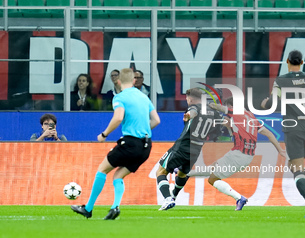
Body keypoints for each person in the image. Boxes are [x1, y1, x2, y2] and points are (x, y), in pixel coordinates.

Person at [71, 68, 160, 220]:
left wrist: (104, 134)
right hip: (146, 146)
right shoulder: (144, 97)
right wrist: (142, 130)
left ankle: (88, 208)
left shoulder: (120, 97)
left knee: (102, 170)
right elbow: (156, 120)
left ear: (118, 81)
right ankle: (115, 207)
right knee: (118, 175)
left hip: (130, 143)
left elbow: (118, 118)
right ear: (133, 81)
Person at [261, 49, 305, 218]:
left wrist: (264, 104)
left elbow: (272, 103)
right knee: (295, 166)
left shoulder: (280, 80)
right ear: (302, 63)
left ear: (287, 61)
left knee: (296, 167)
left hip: (293, 129)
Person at [187, 97, 286, 211]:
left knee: (212, 179)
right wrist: (280, 149)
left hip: (239, 154)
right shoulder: (251, 117)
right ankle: (187, 173)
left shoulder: (234, 111)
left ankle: (239, 198)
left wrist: (207, 105)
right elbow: (269, 133)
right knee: (214, 166)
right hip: (246, 155)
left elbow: (218, 107)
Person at [156, 88, 220, 211]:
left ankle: (168, 199)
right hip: (196, 149)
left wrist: (189, 116)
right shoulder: (212, 112)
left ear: (190, 98)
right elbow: (217, 127)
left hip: (182, 146)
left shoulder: (194, 107)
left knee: (161, 171)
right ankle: (173, 196)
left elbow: (193, 112)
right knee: (182, 173)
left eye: (186, 98)